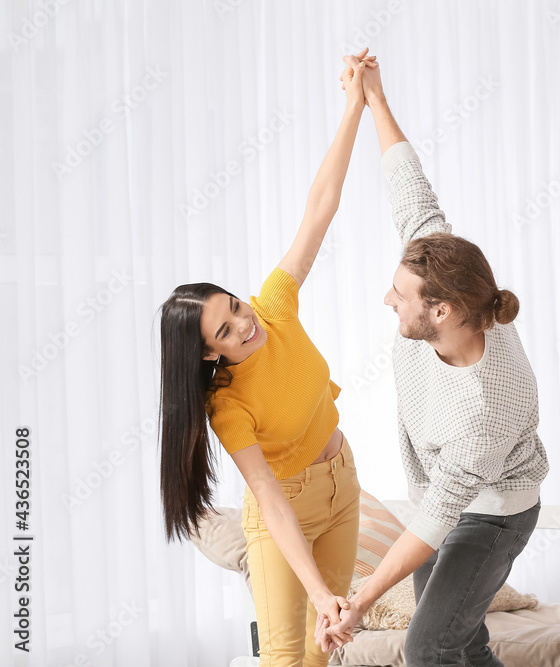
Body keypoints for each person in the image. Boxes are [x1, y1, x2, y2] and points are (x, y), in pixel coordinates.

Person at [316, 54, 550, 667]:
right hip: (444, 502)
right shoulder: (454, 284)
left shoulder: (484, 408)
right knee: (462, 641)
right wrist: (374, 99)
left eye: (400, 295)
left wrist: (359, 604)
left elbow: (432, 524)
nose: (387, 298)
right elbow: (411, 190)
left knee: (427, 647)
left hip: (495, 514)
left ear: (442, 311)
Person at [157, 49, 376, 667]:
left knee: (326, 654)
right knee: (288, 656)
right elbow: (272, 502)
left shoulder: (274, 304)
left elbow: (320, 206)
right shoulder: (228, 406)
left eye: (235, 307)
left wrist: (354, 105)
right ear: (207, 353)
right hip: (286, 510)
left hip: (343, 484)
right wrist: (321, 594)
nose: (244, 324)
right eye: (227, 331)